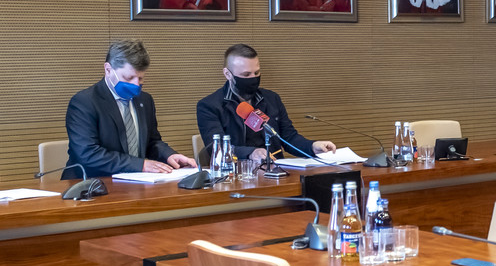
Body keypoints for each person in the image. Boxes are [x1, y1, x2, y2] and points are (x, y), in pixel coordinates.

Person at [64, 40, 195, 178]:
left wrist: (169, 155)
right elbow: (88, 153)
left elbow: (151, 142)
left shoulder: (145, 100)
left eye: (140, 78)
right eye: (129, 78)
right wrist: (140, 165)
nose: (136, 84)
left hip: (136, 182)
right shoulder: (84, 102)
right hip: (91, 182)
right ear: (108, 69)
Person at [195, 44, 334, 163]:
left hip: (275, 171)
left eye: (256, 73)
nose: (253, 78)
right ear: (227, 74)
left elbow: (289, 138)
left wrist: (312, 146)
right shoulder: (209, 106)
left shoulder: (271, 99)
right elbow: (217, 147)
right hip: (236, 173)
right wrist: (251, 153)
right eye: (246, 75)